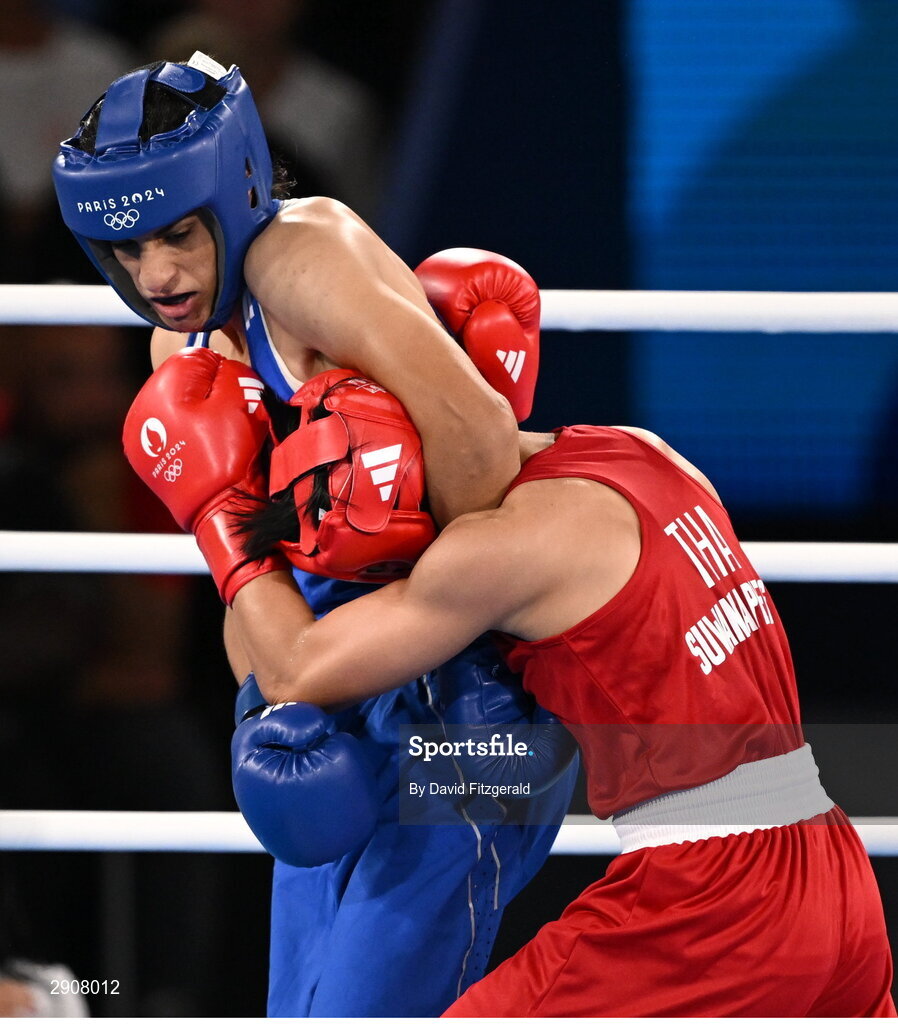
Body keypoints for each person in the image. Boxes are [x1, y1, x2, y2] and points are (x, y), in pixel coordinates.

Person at [122, 345, 896, 1017]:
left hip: (713, 898)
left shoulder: (497, 551)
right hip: (833, 865)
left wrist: (219, 517)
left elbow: (292, 670)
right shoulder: (640, 450)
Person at [52, 53, 577, 1016]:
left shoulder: (304, 256)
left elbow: (481, 440)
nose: (157, 276)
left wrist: (415, 600)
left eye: (176, 236)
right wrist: (269, 703)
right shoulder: (184, 341)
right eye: (127, 252)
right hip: (326, 694)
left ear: (237, 190)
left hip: (464, 693)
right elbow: (246, 585)